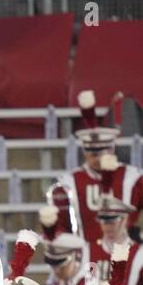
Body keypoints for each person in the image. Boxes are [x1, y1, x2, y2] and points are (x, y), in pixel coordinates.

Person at [40, 91, 133, 248]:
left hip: (128, 254)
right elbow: (59, 227)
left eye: (102, 151)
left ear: (112, 149)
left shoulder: (133, 177)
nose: (97, 158)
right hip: (84, 259)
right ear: (84, 151)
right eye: (93, 152)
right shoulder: (68, 182)